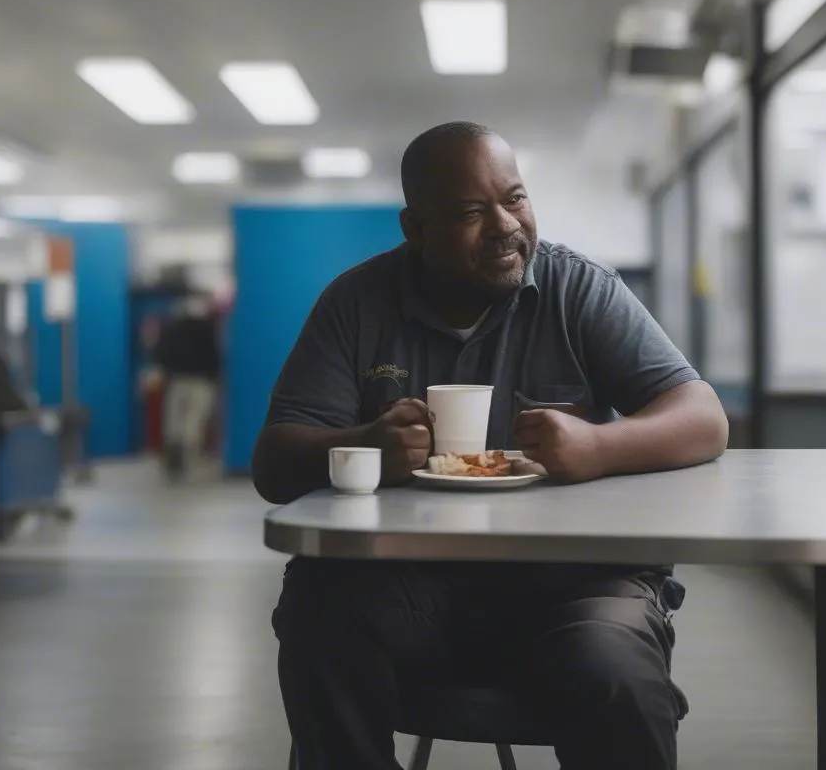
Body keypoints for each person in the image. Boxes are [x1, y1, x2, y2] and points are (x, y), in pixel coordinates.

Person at [252, 122, 728, 770]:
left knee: (616, 673)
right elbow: (275, 461)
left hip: (579, 585)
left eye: (516, 198)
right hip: (410, 581)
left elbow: (703, 418)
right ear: (415, 228)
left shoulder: (577, 289)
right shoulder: (357, 303)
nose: (506, 225)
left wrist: (598, 446)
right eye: (472, 212)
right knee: (318, 615)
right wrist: (365, 444)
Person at [153, 295, 221, 478]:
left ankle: (174, 458)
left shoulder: (171, 328)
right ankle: (190, 461)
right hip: (201, 381)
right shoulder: (209, 329)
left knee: (174, 420)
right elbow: (215, 354)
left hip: (177, 379)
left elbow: (159, 352)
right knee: (194, 421)